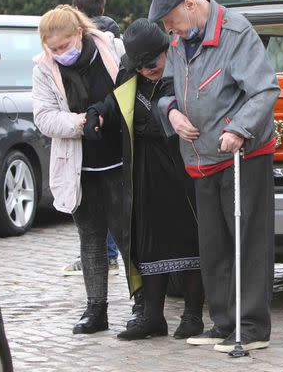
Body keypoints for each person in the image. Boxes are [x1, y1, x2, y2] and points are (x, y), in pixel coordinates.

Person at [150, 0, 280, 352]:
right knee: (214, 245)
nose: (170, 30)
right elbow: (168, 89)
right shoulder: (179, 41)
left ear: (191, 4)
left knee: (247, 242)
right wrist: (171, 113)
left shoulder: (236, 34)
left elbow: (264, 89)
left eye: (172, 20)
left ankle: (252, 326)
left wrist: (239, 129)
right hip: (200, 158)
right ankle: (224, 322)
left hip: (241, 155)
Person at [93, 18, 205, 341]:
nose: (147, 72)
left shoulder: (184, 69)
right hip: (144, 172)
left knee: (189, 241)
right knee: (148, 244)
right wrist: (97, 114)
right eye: (140, 67)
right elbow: (115, 104)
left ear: (166, 48)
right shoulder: (130, 71)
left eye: (151, 64)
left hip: (181, 170)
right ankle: (153, 317)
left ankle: (193, 316)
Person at [31, 4, 127, 335]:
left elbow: (129, 90)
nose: (58, 54)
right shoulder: (44, 68)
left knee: (130, 237)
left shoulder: (112, 49)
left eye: (62, 46)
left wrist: (106, 115)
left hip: (119, 161)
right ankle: (95, 309)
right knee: (90, 238)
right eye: (52, 49)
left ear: (79, 34)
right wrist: (80, 122)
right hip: (79, 166)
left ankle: (144, 306)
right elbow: (43, 116)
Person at [63, 0, 122, 276]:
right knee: (115, 204)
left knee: (94, 207)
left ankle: (104, 255)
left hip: (91, 129)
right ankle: (114, 255)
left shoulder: (90, 42)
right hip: (111, 130)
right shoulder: (116, 35)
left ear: (77, 9)